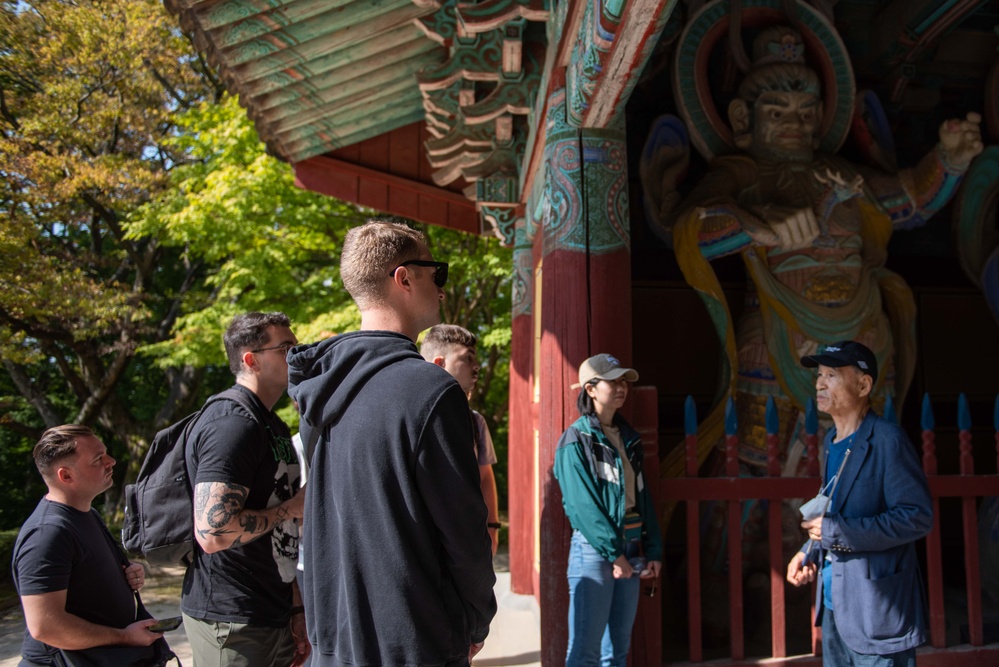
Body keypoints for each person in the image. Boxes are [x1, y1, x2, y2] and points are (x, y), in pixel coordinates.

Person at [658, 25, 983, 474]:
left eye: (806, 112)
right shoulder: (743, 174)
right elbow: (689, 230)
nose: (795, 124)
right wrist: (757, 223)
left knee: (867, 466)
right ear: (742, 119)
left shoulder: (837, 170)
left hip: (865, 338)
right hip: (778, 342)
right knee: (761, 470)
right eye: (778, 112)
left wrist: (949, 161)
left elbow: (904, 202)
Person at [288, 220, 496, 667]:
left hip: (336, 639)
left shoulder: (320, 387)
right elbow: (463, 530)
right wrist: (475, 620)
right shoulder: (430, 389)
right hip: (414, 640)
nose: (442, 288)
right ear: (404, 278)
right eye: (436, 273)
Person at [786, 340, 933, 665]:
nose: (820, 384)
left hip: (877, 610)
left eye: (832, 375)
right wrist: (809, 550)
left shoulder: (888, 440)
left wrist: (836, 532)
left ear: (864, 385)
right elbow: (834, 509)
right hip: (835, 605)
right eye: (819, 375)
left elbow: (916, 517)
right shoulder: (832, 441)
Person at [181, 311, 308, 667]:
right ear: (251, 360)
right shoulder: (232, 423)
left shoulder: (272, 423)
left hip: (273, 612)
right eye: (285, 348)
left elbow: (281, 533)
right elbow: (213, 532)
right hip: (231, 621)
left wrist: (295, 608)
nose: (296, 355)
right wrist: (292, 508)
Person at [12, 425, 165, 666]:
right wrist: (124, 637)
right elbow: (45, 627)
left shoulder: (87, 513)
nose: (111, 461)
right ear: (66, 476)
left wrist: (123, 573)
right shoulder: (47, 534)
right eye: (98, 459)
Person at [553, 354, 664, 667]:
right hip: (595, 552)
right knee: (585, 654)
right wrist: (614, 554)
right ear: (590, 389)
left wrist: (653, 550)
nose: (621, 387)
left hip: (630, 548)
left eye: (623, 381)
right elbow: (581, 506)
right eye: (612, 381)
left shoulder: (628, 438)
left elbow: (642, 498)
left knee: (616, 653)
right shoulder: (576, 439)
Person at [421, 323, 502, 555]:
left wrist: (492, 527)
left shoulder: (475, 422)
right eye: (467, 358)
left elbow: (484, 476)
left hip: (465, 542)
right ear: (439, 363)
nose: (477, 367)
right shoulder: (409, 419)